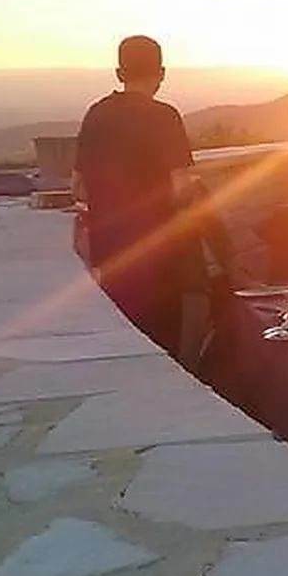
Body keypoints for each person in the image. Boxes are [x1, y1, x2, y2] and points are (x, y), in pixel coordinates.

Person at [74, 35, 197, 353]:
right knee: (163, 345)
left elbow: (78, 185)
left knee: (122, 337)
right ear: (162, 72)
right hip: (159, 251)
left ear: (119, 73)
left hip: (111, 250)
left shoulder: (96, 115)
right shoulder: (164, 117)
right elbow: (181, 187)